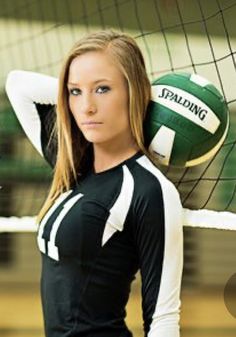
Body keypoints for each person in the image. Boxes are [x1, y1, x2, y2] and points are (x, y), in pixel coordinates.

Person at [5, 30, 183, 337]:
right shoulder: (73, 163)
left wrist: (144, 100)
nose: (86, 107)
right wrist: (75, 89)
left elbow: (162, 321)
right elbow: (17, 84)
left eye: (102, 89)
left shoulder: (149, 189)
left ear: (133, 91)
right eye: (75, 92)